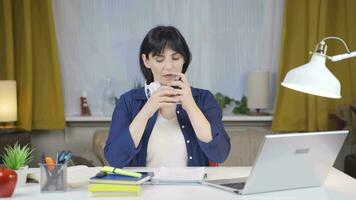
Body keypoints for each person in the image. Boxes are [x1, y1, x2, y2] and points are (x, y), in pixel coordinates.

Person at [104, 26, 230, 168]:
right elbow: (114, 159)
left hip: (193, 189)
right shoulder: (128, 101)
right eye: (159, 59)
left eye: (175, 58)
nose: (169, 66)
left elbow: (220, 154)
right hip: (145, 189)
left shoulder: (204, 99)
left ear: (184, 60)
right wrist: (147, 110)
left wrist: (191, 106)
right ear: (146, 61)